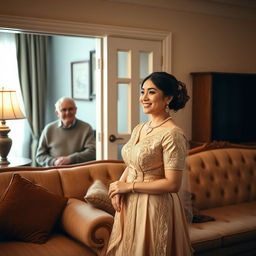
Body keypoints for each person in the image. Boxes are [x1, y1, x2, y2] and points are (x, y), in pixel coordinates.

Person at [107, 72, 193, 255]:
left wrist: (128, 187)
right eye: (142, 91)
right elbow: (132, 164)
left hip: (154, 205)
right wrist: (117, 188)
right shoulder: (140, 128)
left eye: (151, 92)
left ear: (168, 98)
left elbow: (172, 184)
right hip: (130, 203)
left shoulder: (173, 134)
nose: (143, 98)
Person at [36, 97, 96, 167]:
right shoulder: (48, 129)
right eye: (63, 110)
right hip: (54, 171)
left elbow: (92, 152)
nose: (67, 113)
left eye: (70, 109)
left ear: (75, 110)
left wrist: (70, 159)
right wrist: (54, 162)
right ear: (57, 113)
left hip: (77, 171)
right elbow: (40, 156)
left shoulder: (86, 128)